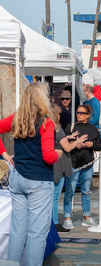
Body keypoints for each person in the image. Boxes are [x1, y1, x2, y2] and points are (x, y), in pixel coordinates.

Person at [0, 82, 62, 265]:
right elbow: (49, 156)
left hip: (18, 179)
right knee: (37, 232)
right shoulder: (46, 122)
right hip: (39, 181)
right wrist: (60, 153)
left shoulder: (17, 119)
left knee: (18, 228)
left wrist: (4, 153)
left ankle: (12, 263)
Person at [63, 105, 101, 230]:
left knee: (86, 191)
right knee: (70, 191)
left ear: (88, 115)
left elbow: (99, 145)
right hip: (73, 163)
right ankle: (67, 217)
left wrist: (91, 144)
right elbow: (63, 142)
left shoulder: (93, 129)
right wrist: (74, 144)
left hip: (87, 164)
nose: (78, 114)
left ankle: (86, 216)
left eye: (81, 112)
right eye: (77, 112)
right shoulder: (71, 126)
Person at [51, 104, 88, 232]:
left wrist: (67, 138)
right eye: (59, 113)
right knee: (55, 195)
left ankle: (52, 221)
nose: (60, 116)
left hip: (54, 163)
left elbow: (57, 142)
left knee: (53, 194)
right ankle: (54, 222)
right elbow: (66, 148)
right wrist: (78, 141)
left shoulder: (48, 127)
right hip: (59, 164)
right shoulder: (57, 128)